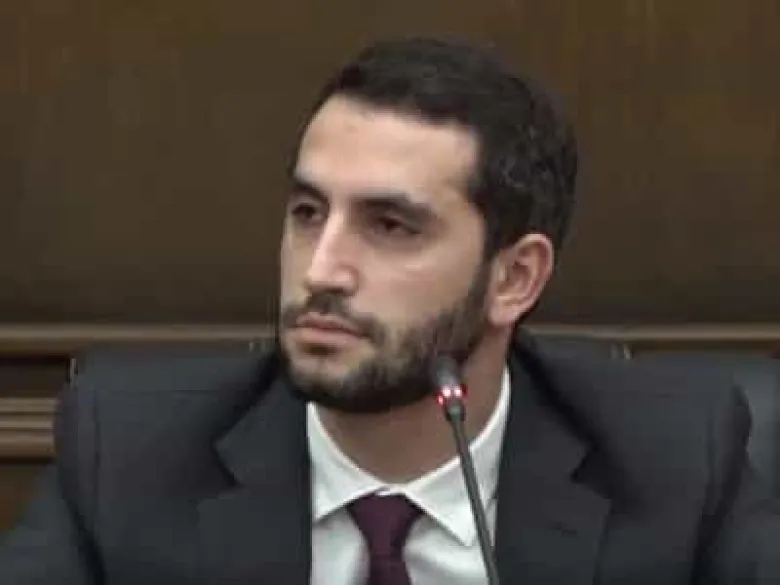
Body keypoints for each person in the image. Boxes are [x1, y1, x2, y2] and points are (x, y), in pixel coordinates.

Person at [0, 36, 777, 584]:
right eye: (308, 213)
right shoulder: (128, 452)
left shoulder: (674, 460)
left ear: (514, 278)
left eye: (391, 226)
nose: (322, 269)